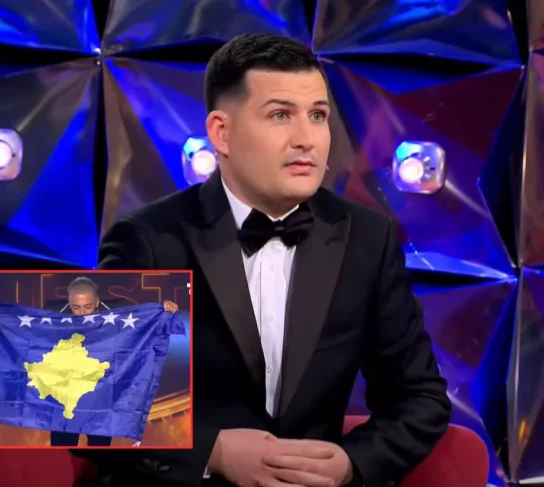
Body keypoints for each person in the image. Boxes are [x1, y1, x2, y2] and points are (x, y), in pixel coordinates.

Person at [78, 33, 451, 487]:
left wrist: (351, 463)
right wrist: (213, 452)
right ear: (222, 132)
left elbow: (420, 397)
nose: (307, 139)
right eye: (280, 115)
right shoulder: (150, 239)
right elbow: (86, 402)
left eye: (317, 115)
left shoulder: (367, 238)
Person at [0, 276, 180, 448]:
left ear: (97, 302)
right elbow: (24, 327)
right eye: (76, 307)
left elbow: (147, 318)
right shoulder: (53, 312)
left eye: (88, 307)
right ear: (69, 302)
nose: (82, 314)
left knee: (98, 458)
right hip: (64, 399)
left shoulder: (118, 310)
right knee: (62, 455)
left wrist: (165, 308)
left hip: (101, 396)